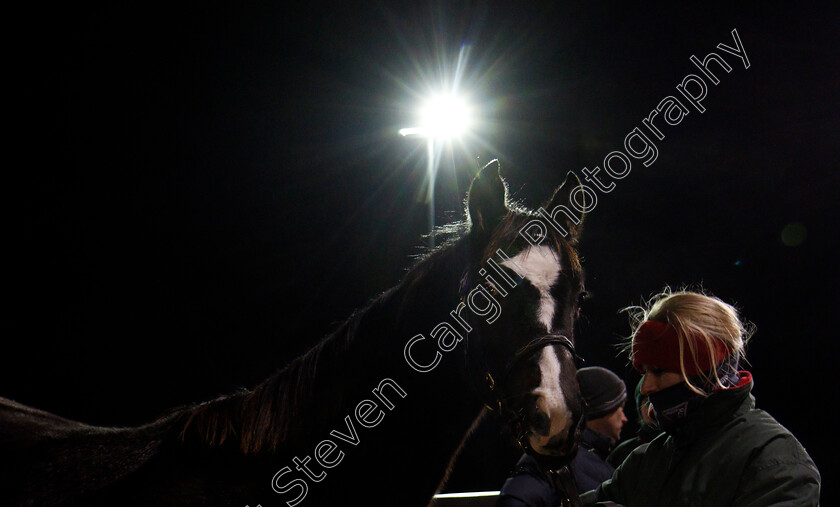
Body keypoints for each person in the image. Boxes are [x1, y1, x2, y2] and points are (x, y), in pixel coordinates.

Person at [581, 289, 821, 506]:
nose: (646, 387)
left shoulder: (772, 458)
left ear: (707, 373)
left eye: (660, 371)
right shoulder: (647, 461)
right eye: (644, 372)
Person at [496, 366, 628, 506]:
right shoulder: (554, 457)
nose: (624, 418)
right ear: (601, 409)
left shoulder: (599, 457)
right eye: (620, 408)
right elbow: (515, 499)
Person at [569, 366, 628, 493]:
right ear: (604, 409)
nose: (624, 419)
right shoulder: (563, 462)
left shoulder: (596, 458)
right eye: (621, 409)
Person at [605, 378, 662, 469]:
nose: (652, 410)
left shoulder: (680, 446)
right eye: (647, 403)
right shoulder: (624, 452)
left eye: (657, 402)